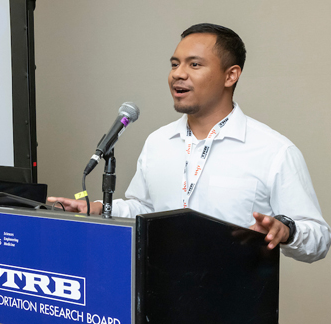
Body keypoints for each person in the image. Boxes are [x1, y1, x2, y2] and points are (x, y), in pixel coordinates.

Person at [48, 23, 330, 263]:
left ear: (230, 75)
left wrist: (287, 231)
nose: (178, 74)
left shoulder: (273, 150)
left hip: (234, 301)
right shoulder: (158, 141)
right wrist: (98, 208)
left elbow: (318, 237)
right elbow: (145, 209)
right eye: (175, 64)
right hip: (160, 294)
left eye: (194, 64)